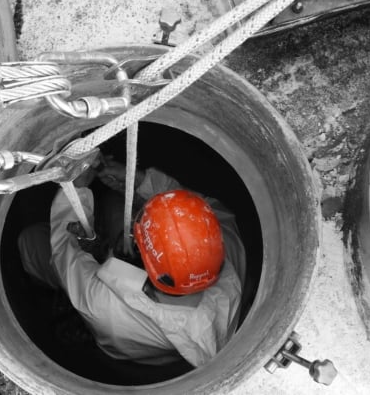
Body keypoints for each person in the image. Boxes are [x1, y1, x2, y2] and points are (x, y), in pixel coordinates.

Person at [17, 156, 245, 367]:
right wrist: (137, 180)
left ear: (142, 256)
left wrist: (76, 188)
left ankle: (45, 292)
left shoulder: (103, 303)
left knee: (29, 242)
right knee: (114, 202)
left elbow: (63, 251)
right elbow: (194, 206)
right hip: (151, 348)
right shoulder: (225, 246)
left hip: (114, 328)